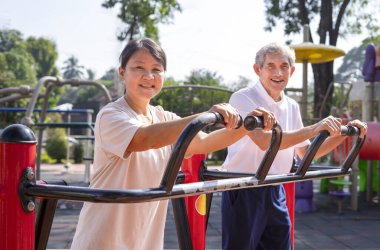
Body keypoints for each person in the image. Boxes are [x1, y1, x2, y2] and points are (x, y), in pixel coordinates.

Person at [70, 38, 276, 250]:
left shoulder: (163, 117)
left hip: (145, 239)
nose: (148, 76)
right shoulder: (111, 115)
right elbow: (145, 138)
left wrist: (248, 126)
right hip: (104, 239)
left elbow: (204, 142)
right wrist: (207, 115)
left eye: (156, 70)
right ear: (122, 72)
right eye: (139, 68)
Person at [221, 43, 368, 250]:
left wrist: (344, 134)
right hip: (244, 187)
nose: (278, 72)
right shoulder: (242, 98)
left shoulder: (291, 105)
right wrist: (314, 128)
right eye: (270, 66)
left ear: (291, 71)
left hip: (274, 188)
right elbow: (265, 142)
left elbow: (306, 153)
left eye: (283, 66)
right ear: (257, 70)